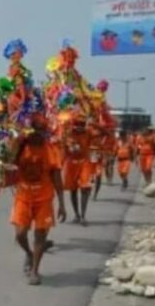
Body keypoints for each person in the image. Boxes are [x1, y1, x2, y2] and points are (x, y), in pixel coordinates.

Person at [6, 114, 67, 285]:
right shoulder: (20, 146)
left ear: (45, 132)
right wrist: (14, 144)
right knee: (20, 234)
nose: (37, 134)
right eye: (34, 130)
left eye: (41, 130)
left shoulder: (51, 150)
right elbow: (7, 161)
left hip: (44, 198)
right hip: (23, 196)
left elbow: (57, 177)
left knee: (40, 235)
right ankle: (29, 253)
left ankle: (34, 270)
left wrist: (62, 204)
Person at [61, 115, 93, 225]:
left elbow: (104, 132)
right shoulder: (67, 134)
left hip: (84, 162)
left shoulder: (88, 132)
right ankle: (76, 215)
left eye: (82, 124)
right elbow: (64, 151)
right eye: (78, 124)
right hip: (71, 164)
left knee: (85, 188)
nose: (80, 126)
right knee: (73, 190)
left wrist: (94, 122)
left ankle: (83, 216)